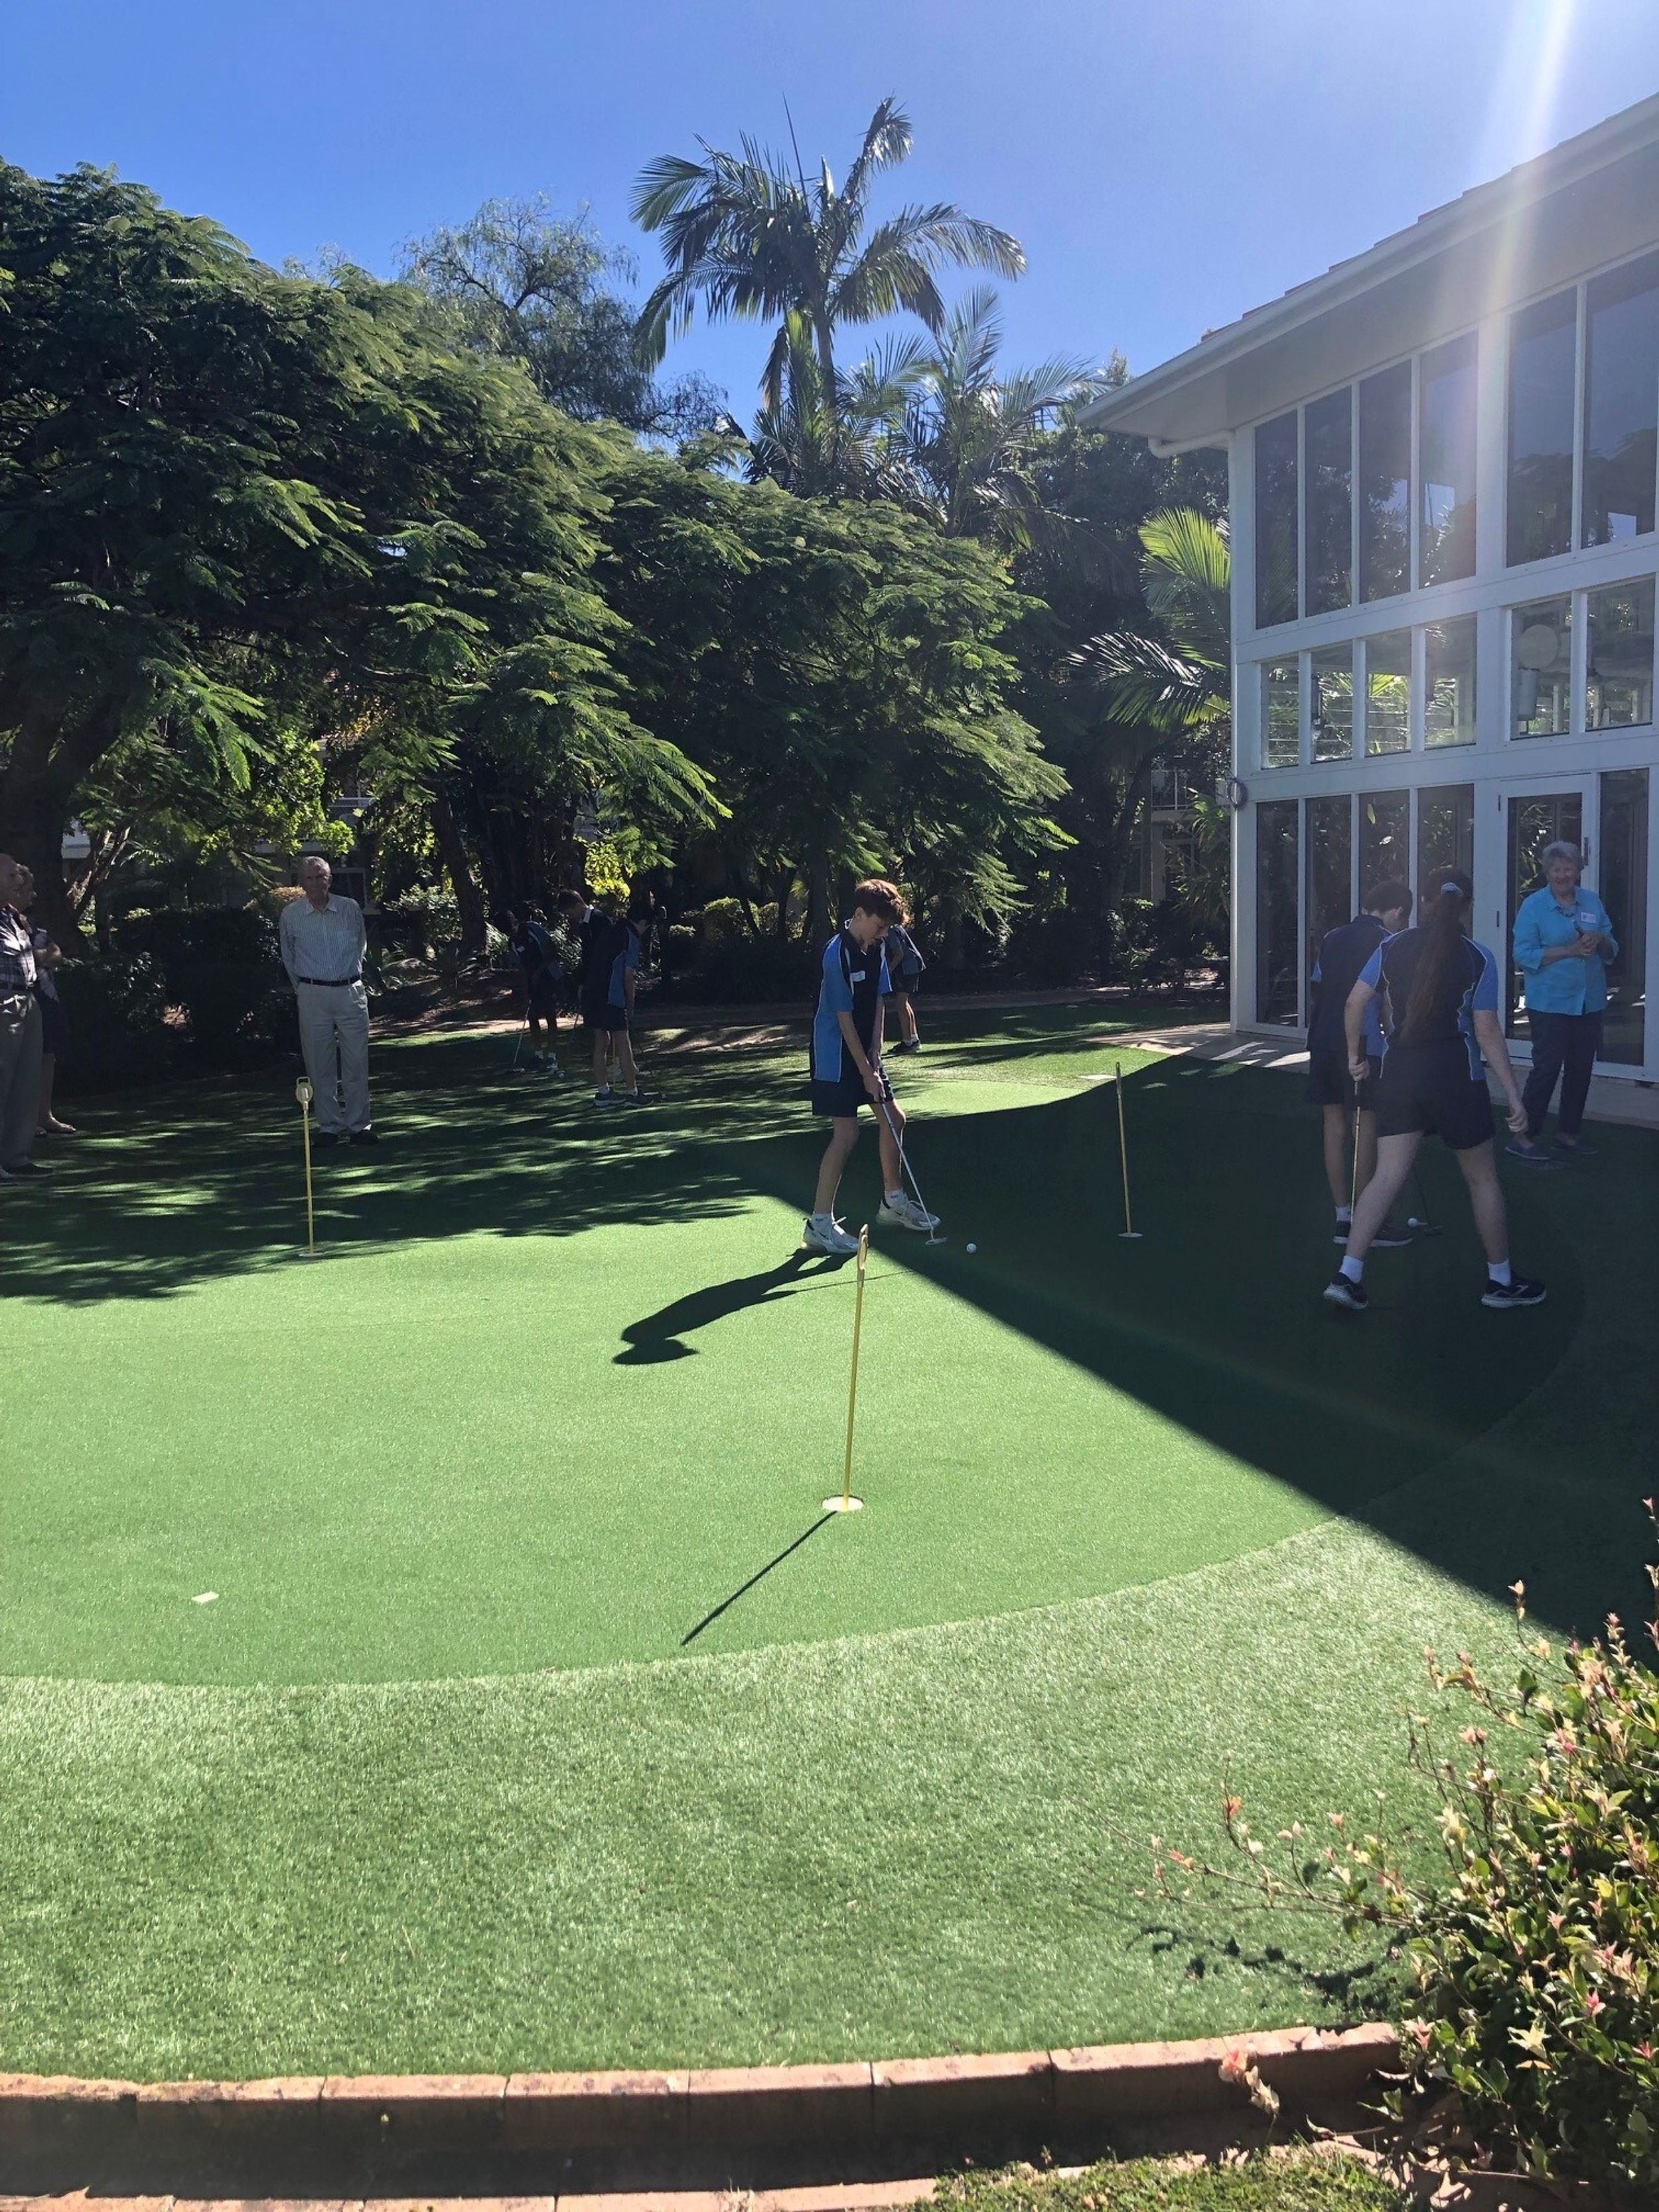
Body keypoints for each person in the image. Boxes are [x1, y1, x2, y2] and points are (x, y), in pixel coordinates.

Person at [1325, 871, 1543, 1313]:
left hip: (1401, 1075)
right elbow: (1486, 1029)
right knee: (1482, 1178)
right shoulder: (1478, 956)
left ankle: (1348, 1274)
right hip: (1457, 1077)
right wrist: (1514, 1094)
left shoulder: (1391, 946)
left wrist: (1353, 1057)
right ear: (1467, 907)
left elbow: (1353, 1002)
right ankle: (1500, 1281)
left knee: (1387, 1175)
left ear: (1423, 902)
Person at [804, 877, 938, 1256]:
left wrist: (875, 1055)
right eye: (880, 926)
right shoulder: (836, 954)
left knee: (894, 1118)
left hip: (865, 1052)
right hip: (835, 1055)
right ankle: (819, 1224)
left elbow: (879, 1001)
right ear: (860, 914)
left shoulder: (876, 948)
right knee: (846, 1135)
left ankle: (893, 1202)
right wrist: (865, 1071)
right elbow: (843, 1017)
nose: (883, 935)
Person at [1305, 879, 1413, 1247]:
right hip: (1362, 1044)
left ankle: (1343, 1217)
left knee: (1334, 1123)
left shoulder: (1332, 937)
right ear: (1397, 911)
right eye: (1403, 917)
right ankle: (1370, 1221)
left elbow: (1319, 985)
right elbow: (1386, 1003)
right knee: (1365, 1125)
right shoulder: (1387, 941)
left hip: (1322, 1040)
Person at [1508, 840, 1617, 1165]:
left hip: (1589, 1001)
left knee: (1581, 1069)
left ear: (1578, 870)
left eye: (1568, 868)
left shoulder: (1592, 901)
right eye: (1556, 869)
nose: (1562, 875)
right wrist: (1568, 951)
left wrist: (1599, 939)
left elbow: (1612, 945)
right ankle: (1523, 1137)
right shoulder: (1534, 906)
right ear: (1547, 872)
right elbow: (1522, 954)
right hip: (1549, 1003)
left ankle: (1568, 1134)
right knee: (1547, 1069)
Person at [278, 855, 375, 1145]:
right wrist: (305, 989)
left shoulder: (349, 908)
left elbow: (360, 945)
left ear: (329, 880)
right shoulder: (291, 915)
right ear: (301, 882)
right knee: (319, 1063)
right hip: (312, 993)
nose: (316, 882)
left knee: (356, 1061)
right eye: (309, 878)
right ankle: (329, 1126)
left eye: (320, 876)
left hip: (350, 991)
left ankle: (359, 1126)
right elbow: (288, 956)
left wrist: (349, 975)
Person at [557, 888, 653, 1108]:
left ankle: (604, 1092)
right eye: (647, 927)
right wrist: (630, 1006)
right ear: (642, 923)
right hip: (610, 995)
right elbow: (628, 976)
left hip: (592, 992)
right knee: (622, 1040)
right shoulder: (630, 937)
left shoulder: (610, 927)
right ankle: (632, 1093)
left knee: (601, 1041)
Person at [0, 853, 49, 1183]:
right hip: (3, 1002)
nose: (20, 880)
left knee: (26, 1083)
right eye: (12, 875)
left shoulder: (13, 917)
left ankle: (16, 1157)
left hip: (27, 1002)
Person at [15, 866, 75, 1134]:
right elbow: (23, 958)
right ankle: (22, 1119)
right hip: (19, 997)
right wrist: (40, 957)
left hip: (45, 996)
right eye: (28, 890)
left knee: (47, 1055)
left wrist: (40, 957)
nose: (34, 895)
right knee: (19, 1059)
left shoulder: (34, 926)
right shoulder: (7, 927)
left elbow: (56, 954)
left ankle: (44, 1114)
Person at [501, 907, 565, 1077]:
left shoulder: (532, 929)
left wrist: (539, 971)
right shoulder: (512, 943)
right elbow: (521, 967)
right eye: (507, 933)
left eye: (511, 929)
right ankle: (539, 1056)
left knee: (550, 1015)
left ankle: (552, 1057)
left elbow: (552, 951)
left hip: (550, 977)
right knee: (532, 1016)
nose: (511, 934)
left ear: (515, 922)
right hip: (533, 981)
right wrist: (526, 991)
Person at [883, 916, 927, 1053]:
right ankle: (913, 1039)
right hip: (912, 966)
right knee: (903, 1002)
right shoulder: (896, 927)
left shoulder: (890, 930)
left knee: (900, 1003)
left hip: (908, 968)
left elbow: (899, 954)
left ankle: (908, 1042)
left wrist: (888, 972)